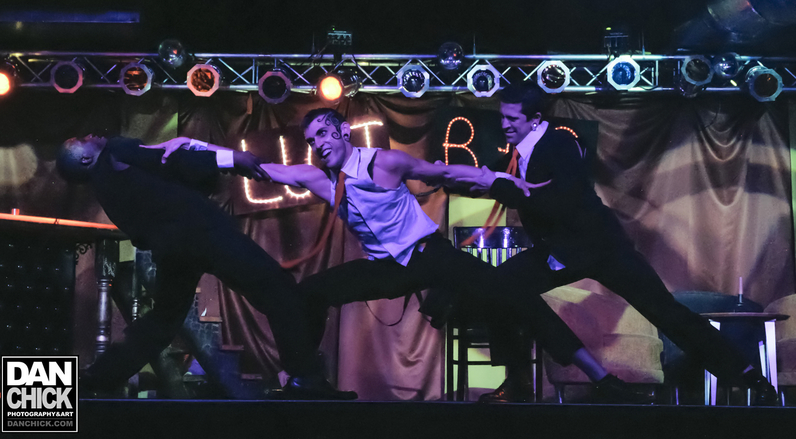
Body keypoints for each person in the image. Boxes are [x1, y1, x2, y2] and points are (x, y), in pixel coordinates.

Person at [148, 108, 649, 403]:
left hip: (429, 255)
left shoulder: (383, 163)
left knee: (515, 296)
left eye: (324, 134)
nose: (318, 144)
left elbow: (446, 173)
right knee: (308, 293)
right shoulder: (318, 179)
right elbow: (257, 168)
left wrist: (502, 179)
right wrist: (195, 145)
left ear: (343, 133)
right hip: (387, 268)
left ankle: (600, 377)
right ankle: (305, 379)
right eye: (312, 140)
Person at [452, 82, 780, 405]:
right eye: (503, 117)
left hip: (601, 248)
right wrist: (444, 173)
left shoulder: (557, 145)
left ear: (535, 119)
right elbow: (495, 178)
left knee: (666, 312)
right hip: (561, 250)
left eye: (512, 118)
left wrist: (498, 187)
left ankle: (748, 377)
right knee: (499, 285)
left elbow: (555, 203)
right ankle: (519, 381)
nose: (504, 125)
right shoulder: (524, 150)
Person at [56, 134, 356, 400]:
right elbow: (170, 160)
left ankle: (99, 377)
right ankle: (305, 378)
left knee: (163, 320)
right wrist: (233, 159)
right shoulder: (116, 151)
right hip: (203, 234)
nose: (91, 134)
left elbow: (144, 224)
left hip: (172, 249)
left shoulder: (106, 189)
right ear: (85, 159)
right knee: (276, 288)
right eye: (83, 140)